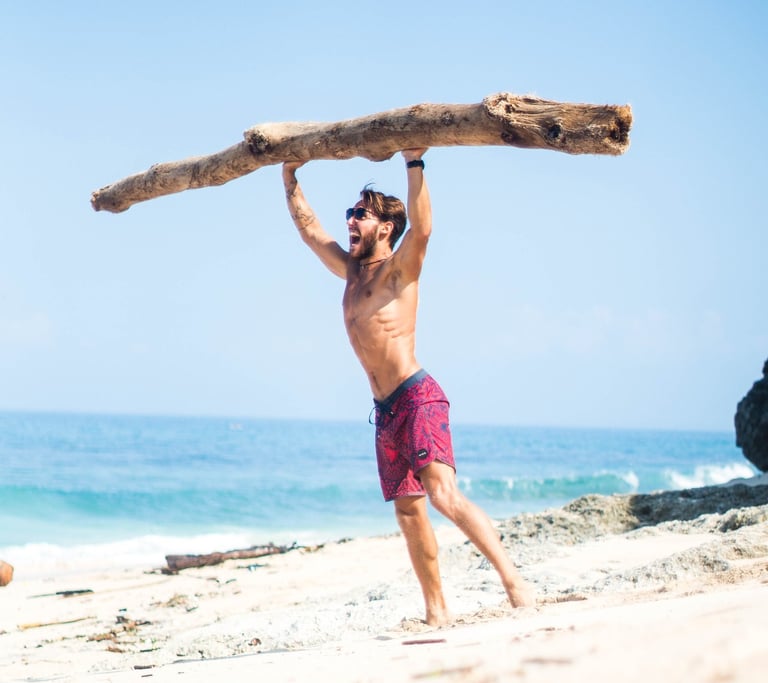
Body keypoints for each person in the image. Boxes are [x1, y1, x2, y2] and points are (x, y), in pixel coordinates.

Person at [282, 149, 534, 625]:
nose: (351, 220)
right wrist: (289, 175)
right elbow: (310, 231)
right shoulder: (351, 271)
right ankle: (436, 611)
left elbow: (424, 228)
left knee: (444, 497)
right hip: (385, 411)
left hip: (417, 396)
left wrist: (414, 163)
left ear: (384, 228)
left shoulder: (401, 269)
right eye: (351, 214)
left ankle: (513, 582)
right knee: (409, 513)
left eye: (361, 214)